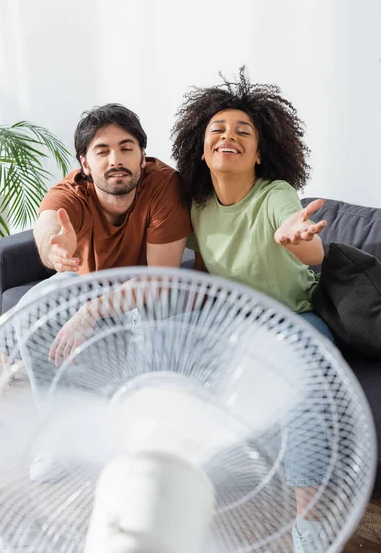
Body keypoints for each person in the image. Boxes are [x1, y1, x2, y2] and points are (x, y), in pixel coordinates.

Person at [171, 68, 335, 553]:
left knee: (304, 384)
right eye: (217, 130)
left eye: (244, 132)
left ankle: (308, 521)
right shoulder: (197, 203)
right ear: (202, 149)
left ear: (260, 153)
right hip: (231, 322)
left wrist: (298, 239)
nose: (229, 137)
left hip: (293, 319)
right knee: (160, 343)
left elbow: (310, 248)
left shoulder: (275, 194)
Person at [17, 103, 191, 394]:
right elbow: (47, 225)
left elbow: (159, 279)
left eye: (126, 148)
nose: (116, 160)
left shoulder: (164, 186)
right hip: (88, 283)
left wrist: (91, 312)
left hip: (146, 288)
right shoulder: (71, 192)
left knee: (145, 318)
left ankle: (137, 408)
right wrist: (54, 250)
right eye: (102, 151)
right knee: (31, 307)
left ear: (142, 156)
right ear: (85, 164)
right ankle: (52, 409)